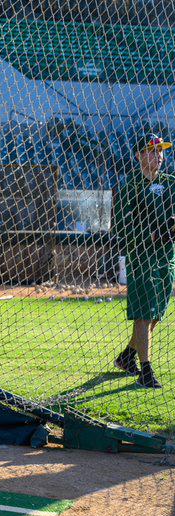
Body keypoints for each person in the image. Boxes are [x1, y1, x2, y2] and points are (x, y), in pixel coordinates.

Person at [112, 132, 174, 389]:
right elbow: (120, 226)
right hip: (142, 255)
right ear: (138, 155)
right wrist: (151, 234)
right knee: (144, 313)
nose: (157, 155)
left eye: (160, 150)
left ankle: (128, 356)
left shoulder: (171, 183)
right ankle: (146, 371)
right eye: (151, 150)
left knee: (157, 311)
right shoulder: (130, 186)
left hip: (166, 255)